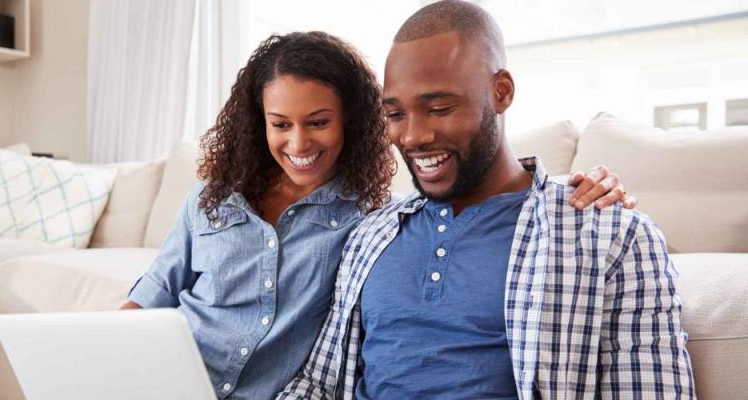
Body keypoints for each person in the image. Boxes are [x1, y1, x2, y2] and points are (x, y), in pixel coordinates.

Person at [122, 31, 630, 399]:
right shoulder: (211, 199)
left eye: (318, 123)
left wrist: (566, 190)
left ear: (351, 123)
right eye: (280, 124)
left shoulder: (367, 220)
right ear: (259, 125)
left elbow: (480, 187)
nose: (298, 143)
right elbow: (150, 298)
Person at [278, 2, 694, 399]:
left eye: (438, 108)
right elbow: (319, 382)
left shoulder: (609, 234)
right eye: (396, 114)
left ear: (501, 92)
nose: (412, 137)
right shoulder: (371, 233)